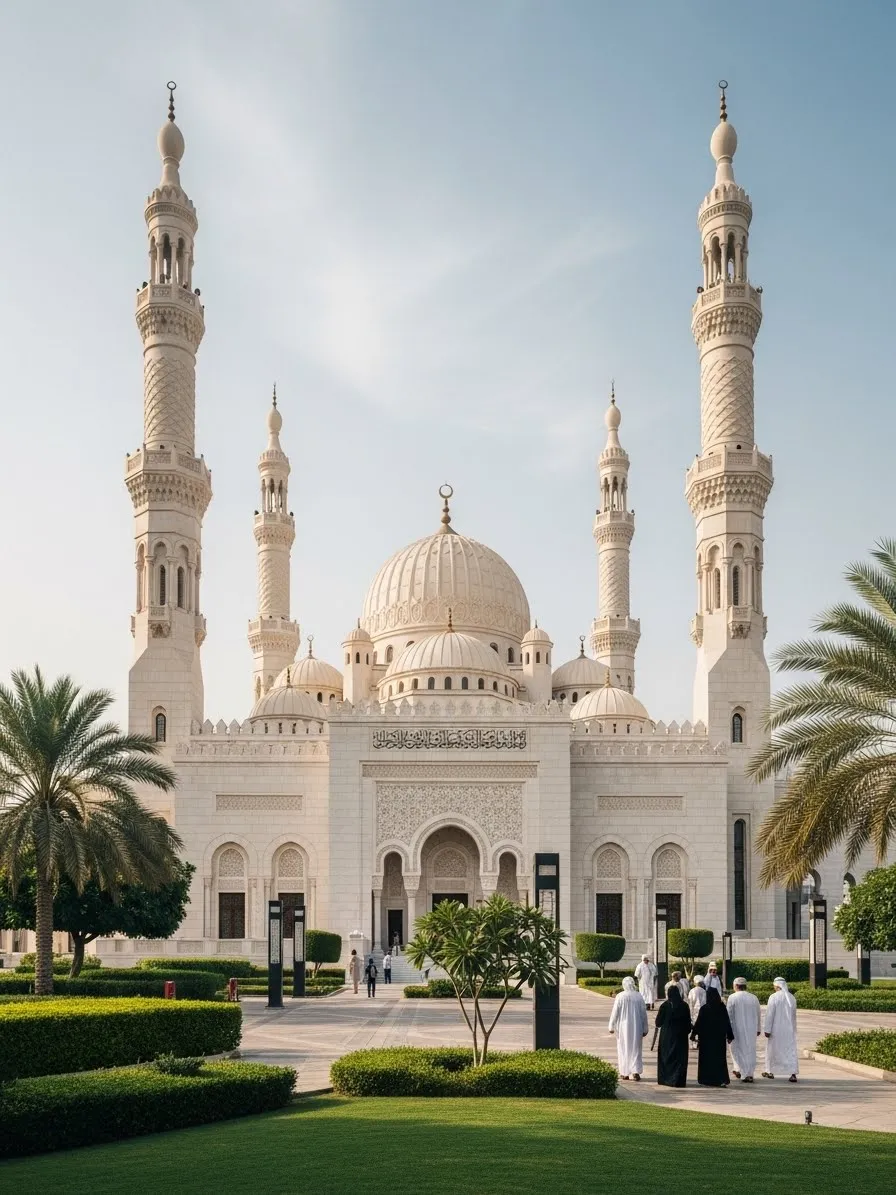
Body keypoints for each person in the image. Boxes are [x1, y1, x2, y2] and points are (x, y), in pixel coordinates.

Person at [690, 986, 734, 1087]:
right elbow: (727, 1022)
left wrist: (693, 1034)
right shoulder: (722, 1008)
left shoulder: (704, 1009)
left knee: (707, 1059)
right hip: (719, 1039)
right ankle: (720, 1079)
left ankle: (706, 1079)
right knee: (719, 1059)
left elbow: (698, 1023)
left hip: (706, 1039)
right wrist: (730, 1035)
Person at [608, 977, 649, 1082]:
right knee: (636, 1049)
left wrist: (611, 1026)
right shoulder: (638, 996)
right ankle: (635, 1071)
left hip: (623, 1027)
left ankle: (624, 1073)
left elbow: (615, 1012)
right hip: (637, 1027)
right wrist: (645, 1028)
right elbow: (643, 1014)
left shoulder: (620, 996)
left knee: (623, 1048)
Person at [763, 977, 799, 1082]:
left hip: (775, 1030)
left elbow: (770, 1014)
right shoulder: (791, 997)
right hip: (789, 1030)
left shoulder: (773, 997)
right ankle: (793, 1073)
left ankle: (769, 1071)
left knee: (772, 1050)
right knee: (790, 1051)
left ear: (777, 985)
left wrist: (767, 1029)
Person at [655, 985, 691, 1087]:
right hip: (680, 1037)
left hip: (667, 1037)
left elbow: (658, 1023)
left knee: (666, 1057)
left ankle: (665, 1080)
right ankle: (678, 1080)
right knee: (679, 1059)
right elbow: (688, 1023)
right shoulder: (684, 1006)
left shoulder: (664, 1006)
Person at [726, 977, 762, 1082]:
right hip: (751, 1029)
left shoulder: (732, 997)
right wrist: (758, 1028)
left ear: (736, 986)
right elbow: (758, 1014)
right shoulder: (754, 998)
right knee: (750, 1050)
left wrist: (728, 1031)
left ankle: (743, 1072)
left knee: (736, 1049)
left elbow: (729, 1015)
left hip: (736, 1029)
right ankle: (745, 1072)